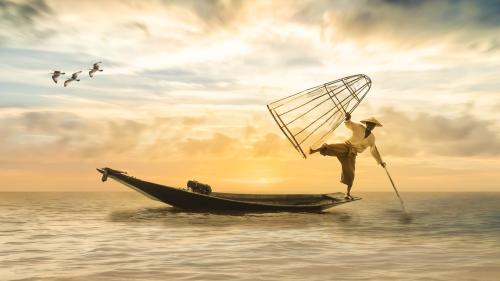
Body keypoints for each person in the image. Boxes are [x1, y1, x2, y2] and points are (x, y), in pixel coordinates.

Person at [309, 112, 386, 200]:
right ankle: (313, 151)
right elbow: (350, 124)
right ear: (367, 124)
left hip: (352, 153)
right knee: (330, 147)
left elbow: (373, 150)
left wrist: (381, 162)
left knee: (351, 174)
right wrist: (347, 118)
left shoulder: (372, 138)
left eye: (372, 125)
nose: (370, 126)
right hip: (346, 146)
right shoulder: (359, 127)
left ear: (374, 127)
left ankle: (348, 194)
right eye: (369, 124)